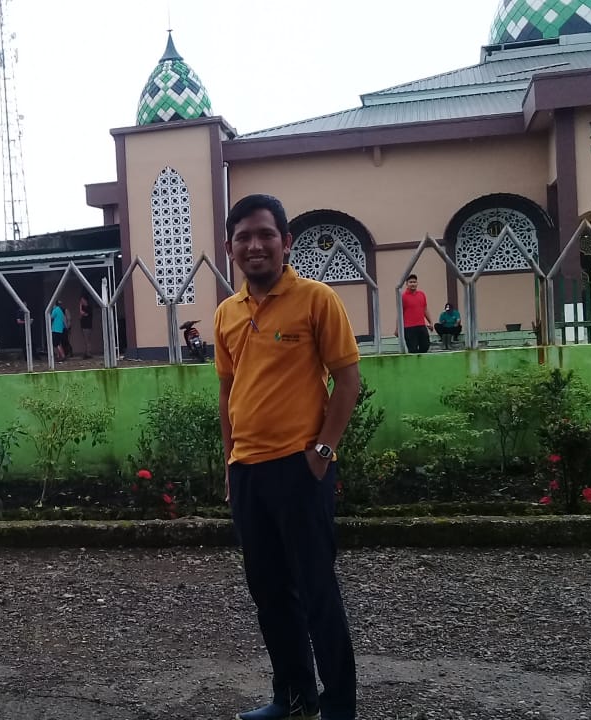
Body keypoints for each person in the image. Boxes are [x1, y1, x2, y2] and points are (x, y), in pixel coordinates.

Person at [216, 194, 361, 720]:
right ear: (230, 247)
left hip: (299, 470)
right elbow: (228, 393)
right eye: (243, 237)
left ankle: (339, 708)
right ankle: (294, 698)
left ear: (286, 242)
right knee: (270, 593)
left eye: (265, 234)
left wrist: (322, 452)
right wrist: (229, 463)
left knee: (317, 591)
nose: (254, 245)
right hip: (248, 473)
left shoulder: (316, 300)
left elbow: (348, 380)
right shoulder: (227, 313)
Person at [400, 274, 432, 354]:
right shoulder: (403, 296)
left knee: (425, 346)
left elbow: (425, 309)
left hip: (421, 325)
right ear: (407, 284)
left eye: (414, 282)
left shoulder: (421, 294)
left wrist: (430, 322)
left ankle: (420, 360)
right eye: (410, 282)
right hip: (409, 328)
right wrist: (398, 328)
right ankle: (414, 360)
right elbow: (400, 313)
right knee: (413, 349)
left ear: (417, 283)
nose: (413, 284)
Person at [78, 294, 93, 359]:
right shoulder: (84, 308)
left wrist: (80, 306)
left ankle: (88, 353)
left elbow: (83, 313)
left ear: (85, 300)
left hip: (87, 326)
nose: (81, 301)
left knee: (87, 340)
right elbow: (80, 316)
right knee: (86, 340)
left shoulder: (88, 307)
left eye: (82, 300)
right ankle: (87, 352)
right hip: (83, 326)